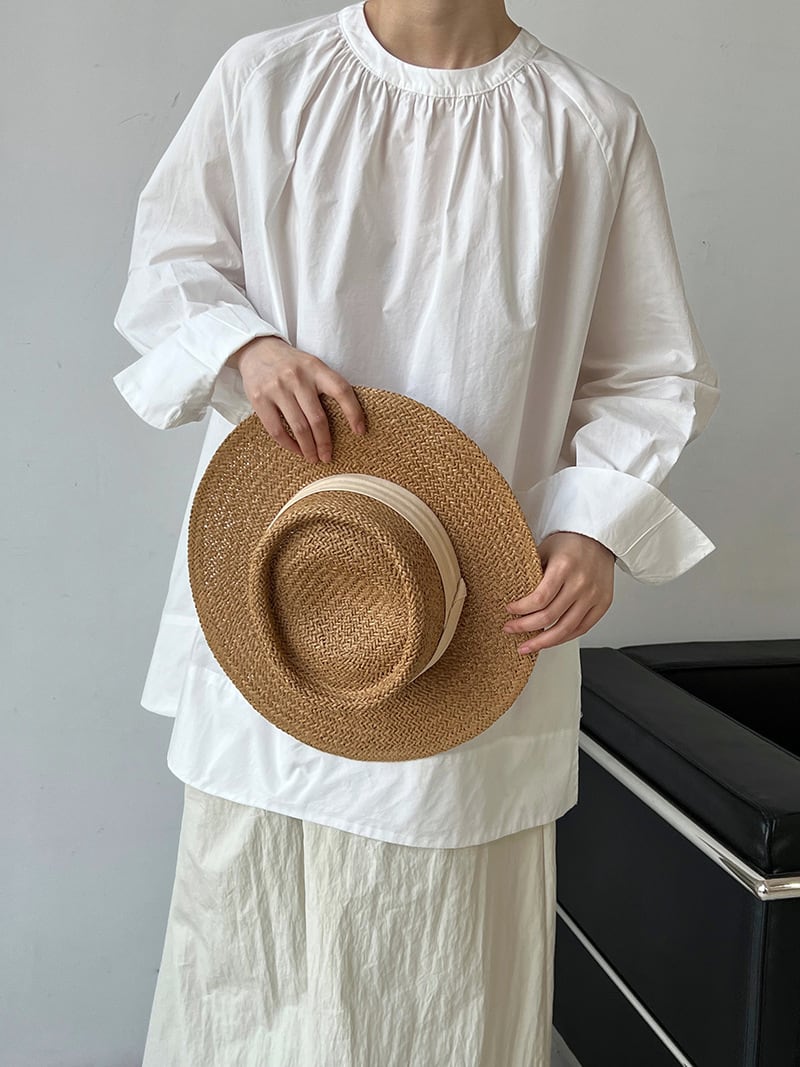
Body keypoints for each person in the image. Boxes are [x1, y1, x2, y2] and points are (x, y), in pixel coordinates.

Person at [111, 1, 720, 1063]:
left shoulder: (585, 127)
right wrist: (246, 348)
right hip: (283, 604)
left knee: (439, 983)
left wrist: (593, 525)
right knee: (248, 963)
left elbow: (647, 368)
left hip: (472, 626)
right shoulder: (269, 80)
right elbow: (169, 267)